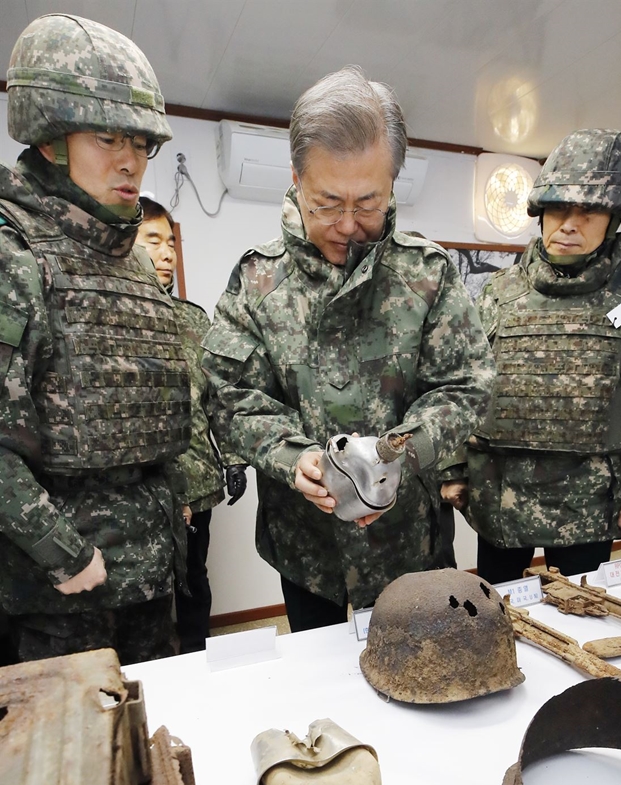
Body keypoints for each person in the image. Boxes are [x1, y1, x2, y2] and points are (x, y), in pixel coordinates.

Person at [202, 66, 495, 632]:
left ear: (393, 184)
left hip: (413, 543)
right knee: (324, 691)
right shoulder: (260, 281)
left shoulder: (427, 274)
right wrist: (294, 459)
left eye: (368, 203)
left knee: (428, 678)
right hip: (306, 549)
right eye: (327, 202)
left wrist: (399, 453)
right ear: (295, 178)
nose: (347, 226)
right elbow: (228, 397)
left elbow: (467, 386)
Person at [0, 14, 191, 663]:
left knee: (156, 747)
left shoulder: (130, 260)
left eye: (141, 143)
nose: (130, 160)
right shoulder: (14, 252)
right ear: (51, 139)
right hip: (60, 597)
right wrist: (63, 552)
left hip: (149, 581)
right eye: (108, 137)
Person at [442, 129, 621, 584]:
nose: (569, 223)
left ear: (614, 218)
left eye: (588, 210)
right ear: (540, 211)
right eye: (558, 208)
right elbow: (463, 388)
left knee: (584, 613)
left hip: (587, 505)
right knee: (499, 613)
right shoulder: (498, 292)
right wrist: (453, 468)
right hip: (499, 498)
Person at [136, 197, 247, 653]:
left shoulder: (192, 319)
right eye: (153, 241)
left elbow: (219, 398)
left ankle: (199, 659)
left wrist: (236, 459)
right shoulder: (124, 319)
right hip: (144, 488)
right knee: (151, 591)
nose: (166, 253)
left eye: (171, 242)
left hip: (198, 480)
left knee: (194, 581)